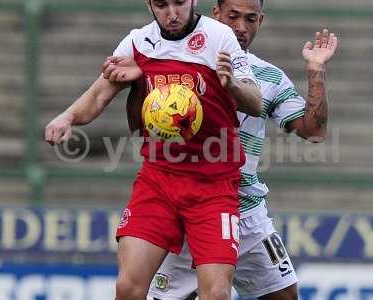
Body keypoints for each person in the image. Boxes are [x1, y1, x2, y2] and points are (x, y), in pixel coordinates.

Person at [104, 0, 338, 299]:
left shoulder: (268, 78)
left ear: (261, 21)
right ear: (215, 14)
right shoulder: (173, 63)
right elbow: (141, 133)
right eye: (233, 16)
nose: (240, 27)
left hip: (246, 210)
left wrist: (316, 70)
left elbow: (314, 132)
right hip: (190, 206)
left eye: (250, 19)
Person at [46, 1, 263, 300]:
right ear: (149, 4)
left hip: (213, 185)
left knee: (216, 294)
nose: (172, 13)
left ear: (193, 1)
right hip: (159, 180)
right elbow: (98, 95)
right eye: (161, 4)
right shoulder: (138, 42)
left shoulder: (219, 37)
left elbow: (256, 102)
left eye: (179, 3)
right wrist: (67, 117)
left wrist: (233, 85)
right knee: (128, 287)